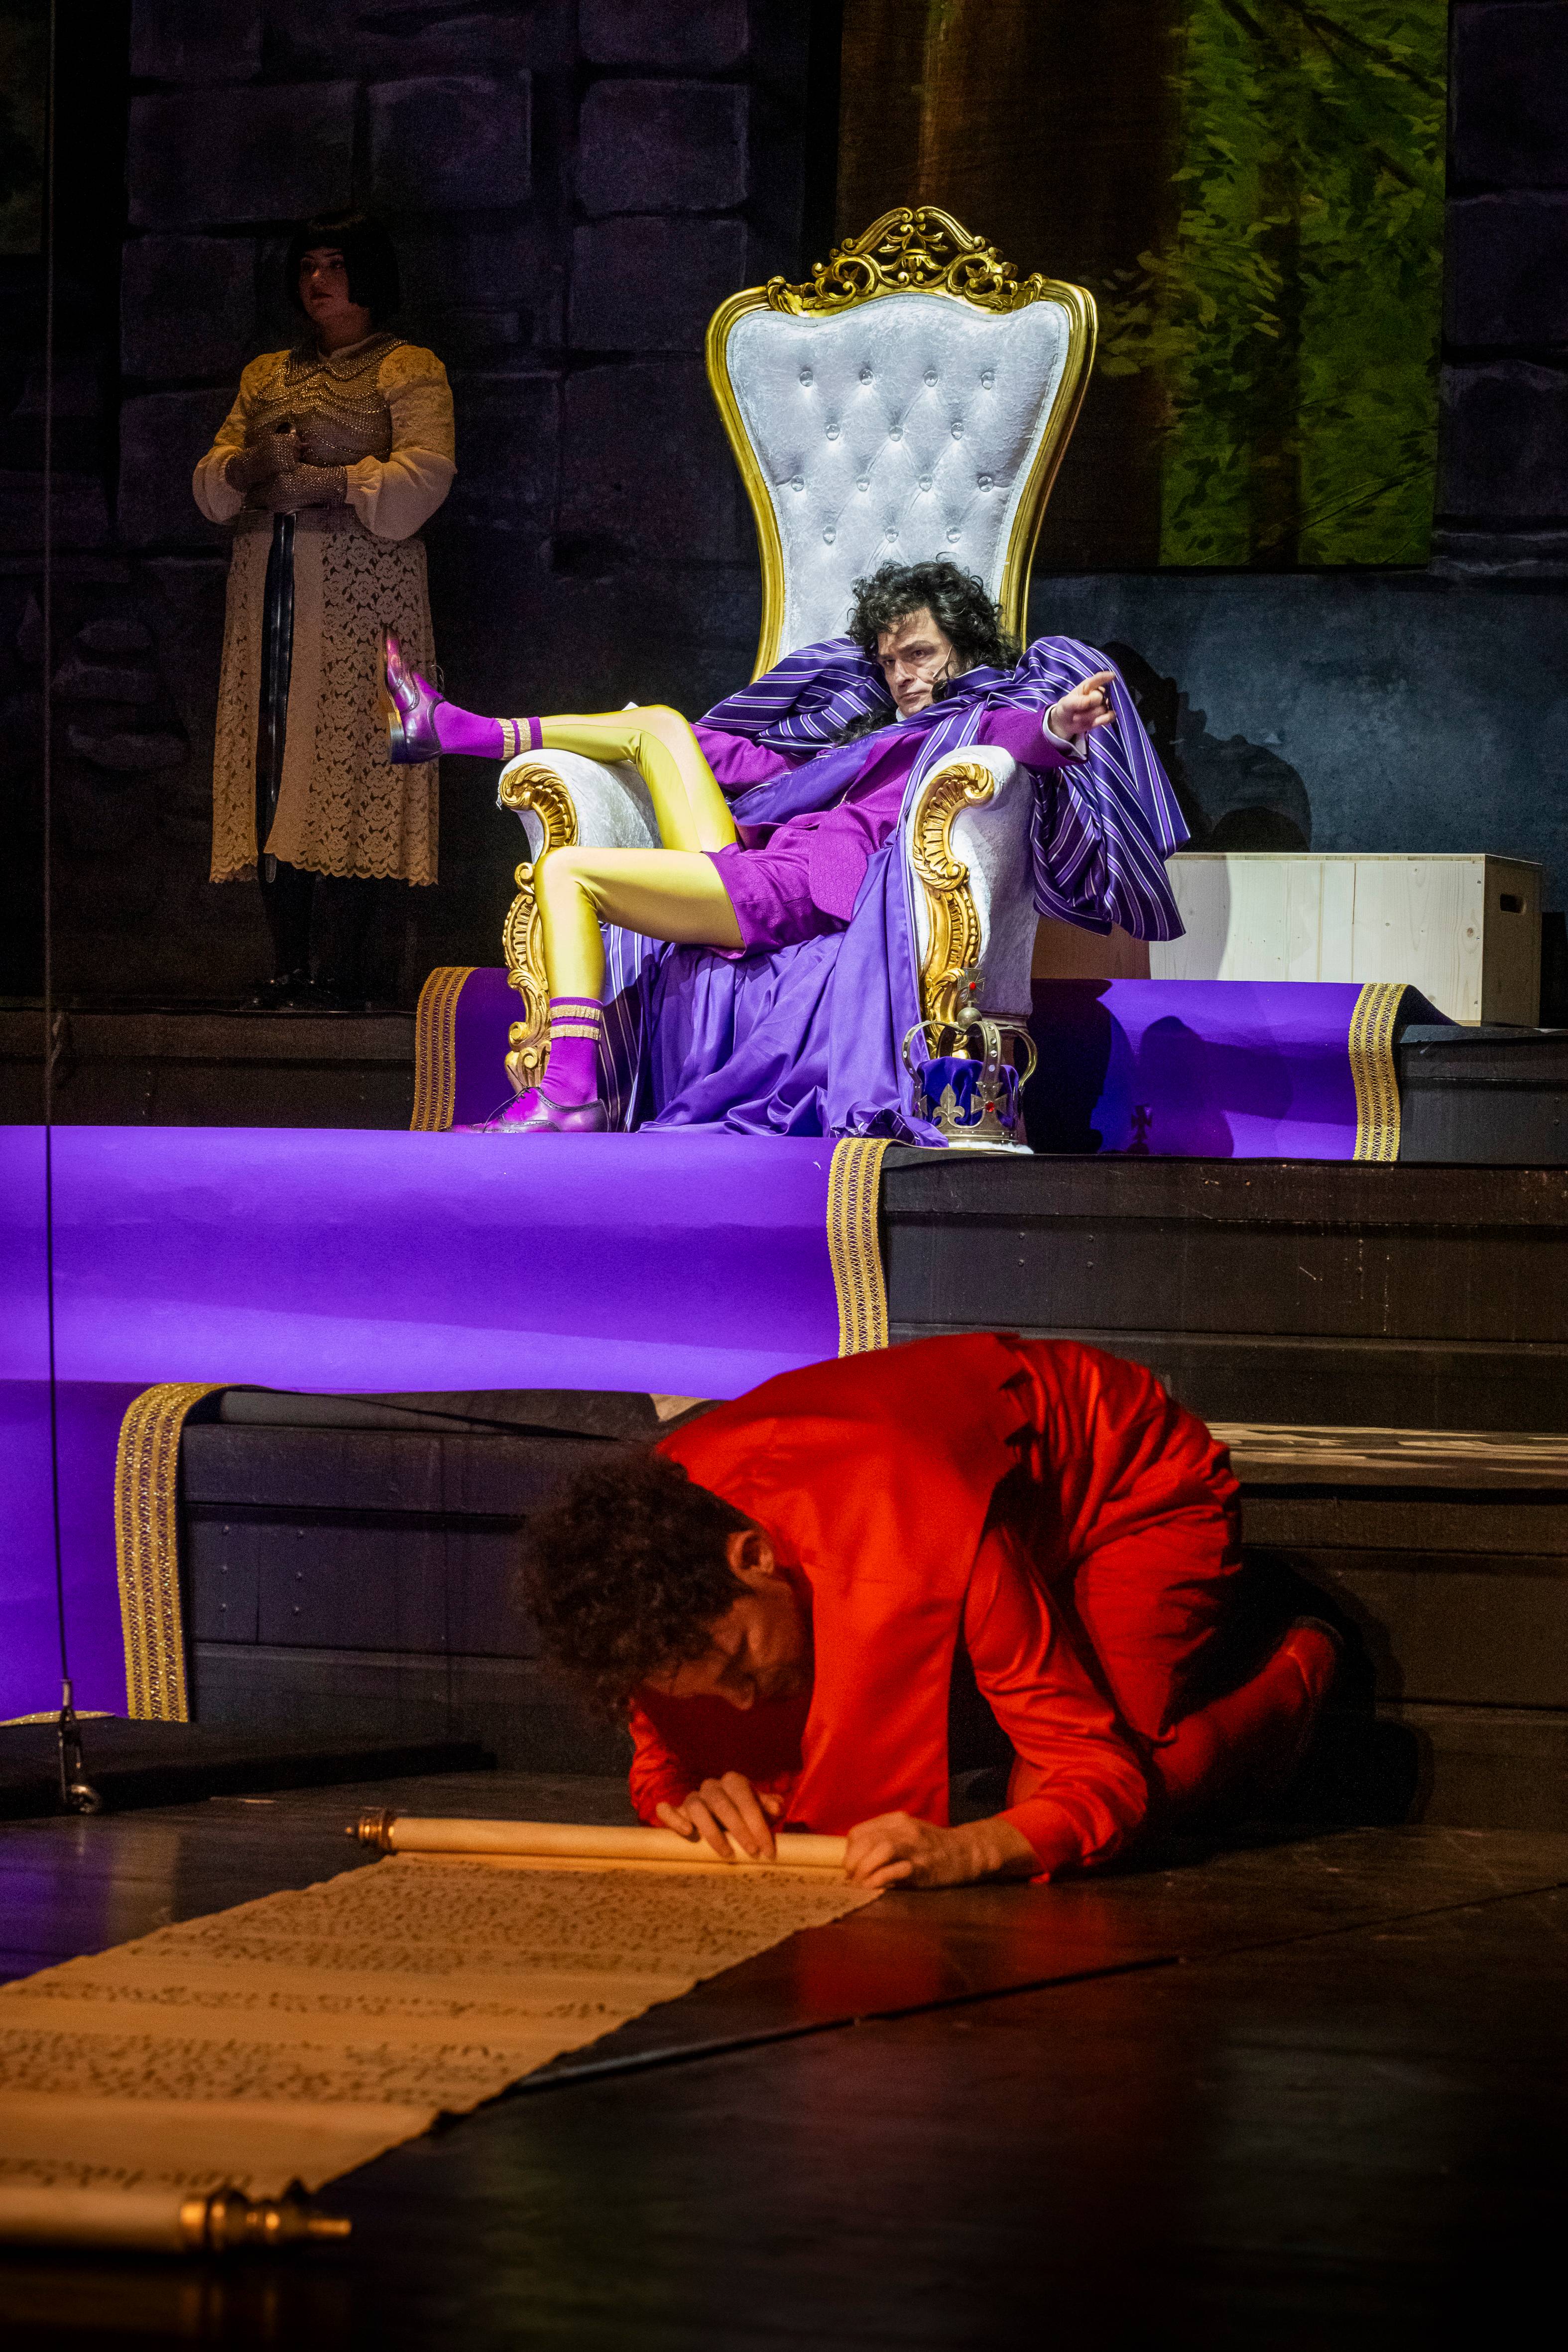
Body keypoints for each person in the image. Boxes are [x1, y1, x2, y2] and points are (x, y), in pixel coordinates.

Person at [380, 558, 1189, 1137]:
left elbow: (1021, 738)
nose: (902, 675)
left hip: (796, 888)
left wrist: (1056, 726)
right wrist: (631, 739)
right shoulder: (867, 737)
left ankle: (568, 1092)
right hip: (761, 857)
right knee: (657, 725)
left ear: (965, 645)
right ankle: (456, 729)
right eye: (889, 661)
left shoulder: (974, 721)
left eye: (919, 653)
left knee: (567, 872)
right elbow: (743, 764)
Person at [522, 1334, 1339, 1889]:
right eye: (705, 1689)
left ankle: (1285, 1694)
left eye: (739, 1664)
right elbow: (664, 1759)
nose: (737, 1703)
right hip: (938, 1501)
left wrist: (969, 1849)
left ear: (754, 1557)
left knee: (1078, 1804)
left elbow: (1098, 1777)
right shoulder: (650, 1574)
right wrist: (690, 1797)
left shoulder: (915, 1519)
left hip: (1124, 1485)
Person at [194, 212, 455, 1007]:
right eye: (308, 266)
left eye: (335, 264)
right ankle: (291, 963)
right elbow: (214, 474)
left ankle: (345, 966)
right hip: (272, 588)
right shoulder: (267, 373)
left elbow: (427, 472)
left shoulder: (407, 368)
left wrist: (337, 481)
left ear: (367, 274)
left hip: (361, 593)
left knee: (355, 755)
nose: (318, 281)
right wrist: (247, 466)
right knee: (274, 758)